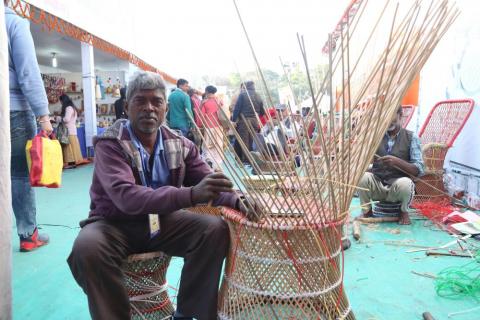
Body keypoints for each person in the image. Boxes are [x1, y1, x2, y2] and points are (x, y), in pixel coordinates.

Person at [67, 71, 261, 320]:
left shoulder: (180, 145)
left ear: (165, 109)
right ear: (127, 107)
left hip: (161, 223)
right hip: (114, 224)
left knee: (213, 230)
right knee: (87, 248)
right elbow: (127, 198)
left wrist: (238, 199)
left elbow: (208, 183)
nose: (149, 108)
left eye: (156, 102)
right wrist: (191, 194)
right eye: (140, 101)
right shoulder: (111, 143)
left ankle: (188, 314)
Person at [5, 2, 53, 252]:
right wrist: (44, 117)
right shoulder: (14, 22)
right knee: (19, 175)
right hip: (14, 110)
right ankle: (28, 235)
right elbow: (28, 74)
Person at [358, 105, 425, 225]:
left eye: (392, 118)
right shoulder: (376, 137)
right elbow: (366, 163)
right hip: (378, 184)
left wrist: (397, 162)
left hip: (397, 187)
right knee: (362, 177)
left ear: (400, 115)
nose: (388, 122)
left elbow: (418, 170)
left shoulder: (411, 137)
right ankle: (367, 212)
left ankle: (403, 212)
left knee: (407, 183)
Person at [232, 81, 265, 163]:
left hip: (244, 120)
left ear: (246, 86)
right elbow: (262, 112)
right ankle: (252, 159)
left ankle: (247, 160)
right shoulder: (258, 95)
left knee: (244, 141)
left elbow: (237, 108)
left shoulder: (242, 95)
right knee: (252, 140)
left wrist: (233, 120)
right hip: (254, 121)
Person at [199, 85, 224, 169]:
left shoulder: (204, 102)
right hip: (219, 126)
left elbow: (201, 115)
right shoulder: (220, 101)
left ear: (207, 92)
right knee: (218, 144)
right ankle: (218, 163)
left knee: (208, 144)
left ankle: (208, 160)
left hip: (209, 126)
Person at [59, 94, 84, 168]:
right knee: (71, 147)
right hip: (71, 130)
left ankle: (71, 163)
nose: (60, 103)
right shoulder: (72, 107)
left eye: (61, 101)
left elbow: (66, 119)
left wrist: (58, 119)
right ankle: (71, 163)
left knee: (68, 147)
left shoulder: (68, 108)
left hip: (68, 131)